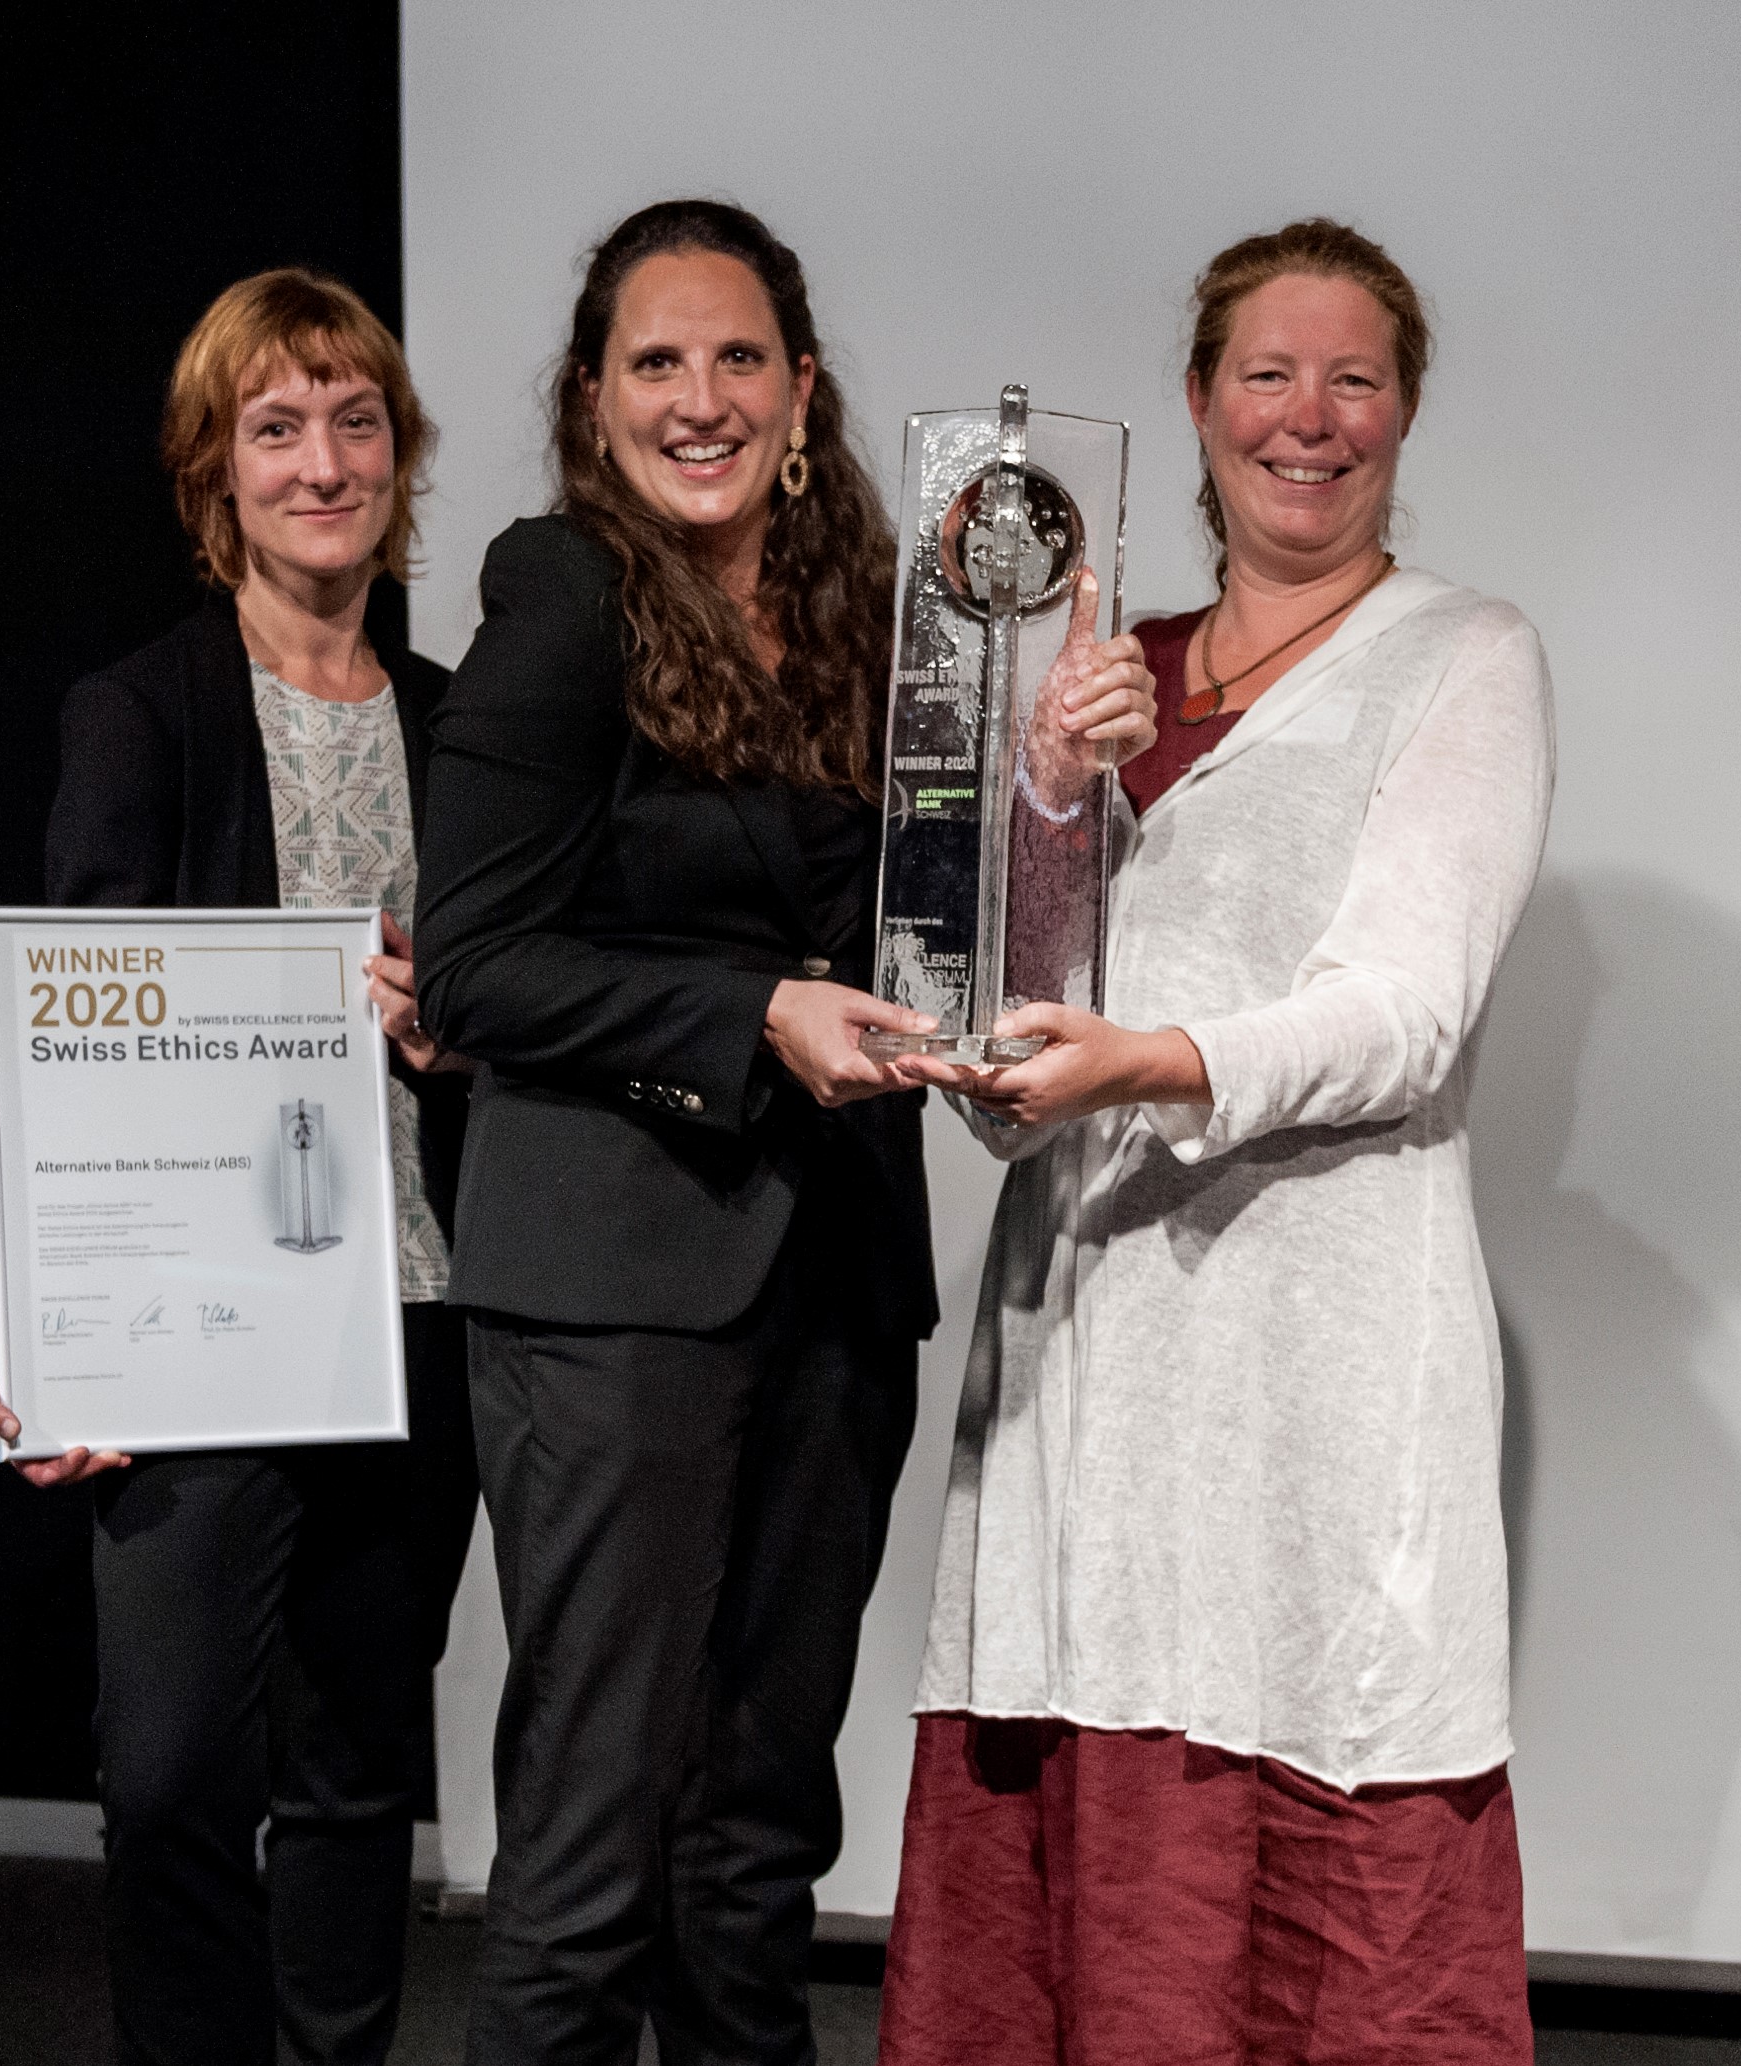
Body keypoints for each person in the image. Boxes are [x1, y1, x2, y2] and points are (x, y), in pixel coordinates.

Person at [413, 199, 1153, 2066]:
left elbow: (934, 914)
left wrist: (1053, 773)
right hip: (611, 1289)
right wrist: (750, 1012)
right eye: (656, 362)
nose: (702, 398)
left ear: (803, 388)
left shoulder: (881, 605)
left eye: (739, 357)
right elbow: (481, 968)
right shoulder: (560, 596)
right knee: (592, 1845)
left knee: (753, 1841)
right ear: (593, 399)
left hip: (831, 1278)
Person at [879, 218, 1558, 2064]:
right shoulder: (1106, 668)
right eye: (1268, 373)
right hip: (1089, 1355)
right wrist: (1046, 791)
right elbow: (1002, 1002)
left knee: (1310, 1860)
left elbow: (1404, 1010)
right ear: (1197, 403)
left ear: (1405, 410)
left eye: (1354, 378)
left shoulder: (1464, 657)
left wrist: (1147, 1065)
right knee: (1079, 1844)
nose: (1307, 417)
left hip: (1310, 1364)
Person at [0, 268, 478, 2066]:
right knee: (173, 1770)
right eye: (276, 428)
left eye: (356, 422)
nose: (323, 464)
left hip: (419, 1306)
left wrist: (458, 1016)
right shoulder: (141, 710)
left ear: (400, 455)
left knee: (356, 1773)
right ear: (214, 473)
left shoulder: (467, 723)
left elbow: (525, 999)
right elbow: (77, 1039)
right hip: (203, 1326)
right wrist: (22, 1274)